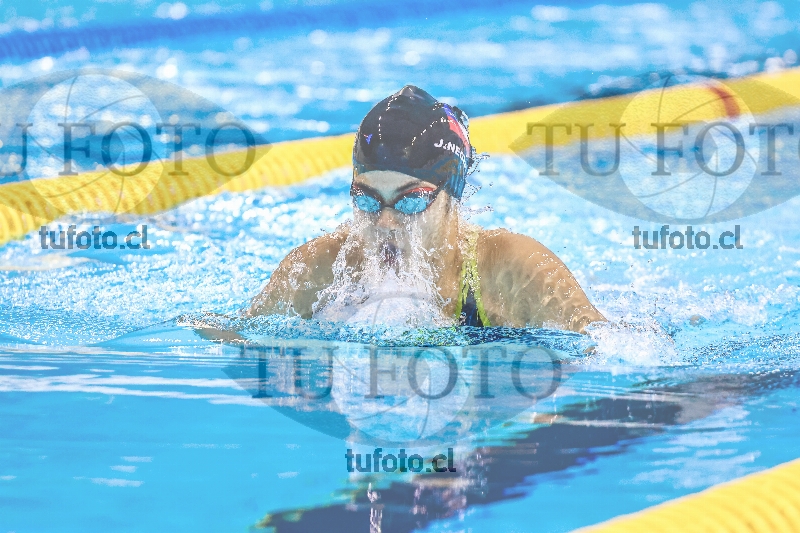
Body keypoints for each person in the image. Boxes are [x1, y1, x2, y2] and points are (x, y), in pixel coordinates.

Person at [248, 85, 605, 333]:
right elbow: (234, 337)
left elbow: (607, 347)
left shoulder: (510, 269)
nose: (386, 221)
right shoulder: (318, 269)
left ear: (451, 197)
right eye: (367, 199)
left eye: (411, 200)